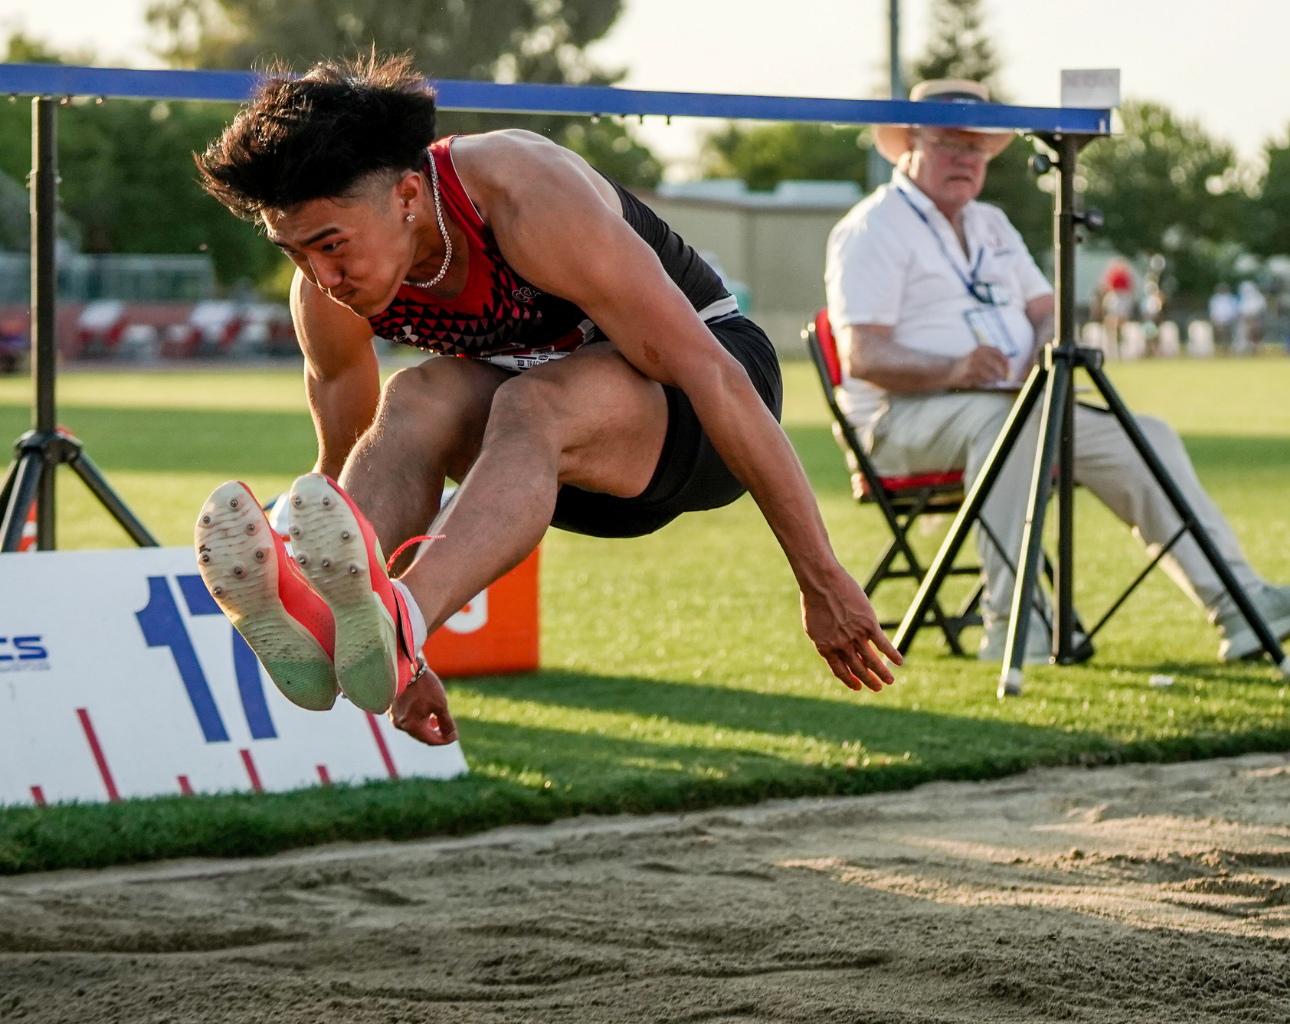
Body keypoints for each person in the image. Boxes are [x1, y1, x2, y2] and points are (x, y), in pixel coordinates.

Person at [188, 56, 901, 746]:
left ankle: (404, 616)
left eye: (331, 245)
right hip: (541, 461)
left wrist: (822, 578)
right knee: (415, 397)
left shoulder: (523, 193)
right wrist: (395, 666)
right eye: (294, 252)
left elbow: (714, 378)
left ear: (407, 196)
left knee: (534, 402)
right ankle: (354, 630)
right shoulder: (324, 294)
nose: (321, 275)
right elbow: (341, 493)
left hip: (700, 414)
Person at [825, 78, 1290, 671]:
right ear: (911, 140)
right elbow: (864, 356)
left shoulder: (990, 223)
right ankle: (1015, 626)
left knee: (1147, 436)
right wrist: (956, 368)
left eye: (978, 148)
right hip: (901, 423)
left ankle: (1244, 609)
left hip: (1015, 405)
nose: (966, 159)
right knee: (1008, 424)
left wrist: (1040, 357)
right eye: (951, 143)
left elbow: (1047, 311)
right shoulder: (872, 228)